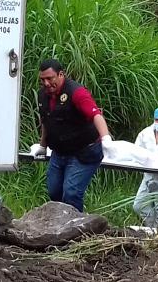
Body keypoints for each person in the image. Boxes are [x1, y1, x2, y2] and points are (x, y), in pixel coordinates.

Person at [34, 59, 112, 212]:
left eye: (50, 78)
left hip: (84, 151)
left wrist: (106, 139)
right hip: (59, 152)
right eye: (42, 80)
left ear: (61, 74)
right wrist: (43, 145)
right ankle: (58, 221)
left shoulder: (76, 92)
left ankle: (75, 224)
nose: (46, 83)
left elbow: (96, 115)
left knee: (71, 193)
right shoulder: (43, 95)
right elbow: (46, 121)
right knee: (54, 191)